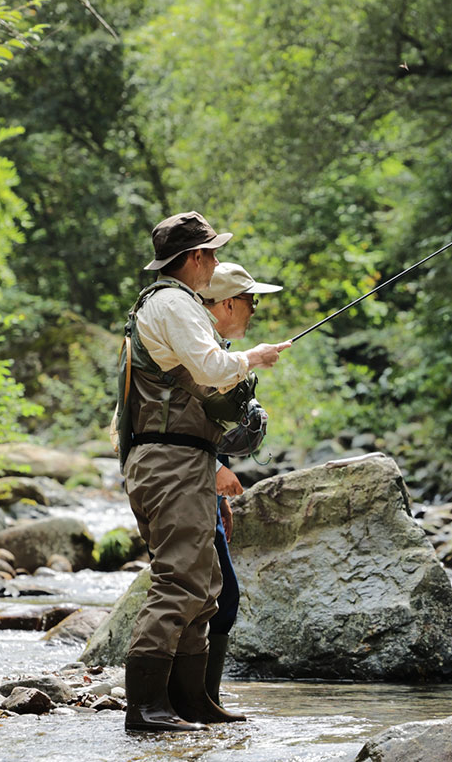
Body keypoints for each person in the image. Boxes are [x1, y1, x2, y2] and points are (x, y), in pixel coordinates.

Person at [116, 212, 289, 732]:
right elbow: (212, 367)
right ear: (194, 258)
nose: (215, 264)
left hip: (179, 460)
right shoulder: (173, 302)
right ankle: (146, 708)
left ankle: (190, 703)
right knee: (178, 582)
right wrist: (253, 359)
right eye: (211, 253)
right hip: (170, 462)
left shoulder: (166, 304)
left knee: (203, 583)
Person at [197, 262, 283, 708]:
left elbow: (208, 420)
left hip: (200, 484)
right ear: (228, 303)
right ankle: (191, 702)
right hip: (184, 479)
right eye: (252, 299)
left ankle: (201, 700)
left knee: (221, 594)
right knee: (216, 594)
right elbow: (181, 420)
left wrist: (217, 487)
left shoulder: (214, 347)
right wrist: (213, 471)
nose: (256, 308)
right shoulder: (198, 347)